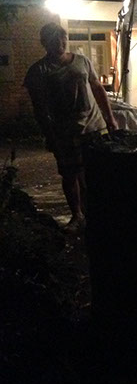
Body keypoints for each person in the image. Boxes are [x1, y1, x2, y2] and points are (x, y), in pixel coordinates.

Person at [23, 22, 118, 231]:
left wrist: (110, 118)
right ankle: (77, 215)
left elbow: (98, 88)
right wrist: (49, 134)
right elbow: (39, 108)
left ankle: (95, 213)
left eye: (63, 37)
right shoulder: (38, 71)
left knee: (95, 173)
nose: (60, 42)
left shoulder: (82, 61)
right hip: (64, 132)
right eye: (54, 39)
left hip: (94, 127)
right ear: (45, 43)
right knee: (70, 174)